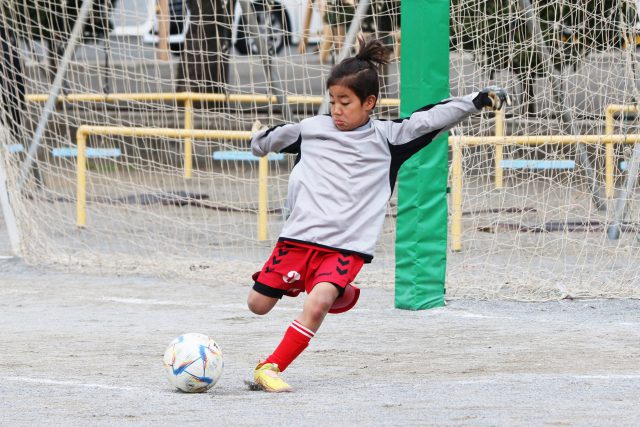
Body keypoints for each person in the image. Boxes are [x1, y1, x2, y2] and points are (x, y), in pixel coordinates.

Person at [247, 37, 510, 392]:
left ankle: (271, 366)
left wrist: (476, 101)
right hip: (297, 239)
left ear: (369, 103)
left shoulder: (388, 138)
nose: (337, 110)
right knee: (257, 304)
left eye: (345, 102)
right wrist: (258, 142)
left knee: (318, 302)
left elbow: (430, 117)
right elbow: (270, 139)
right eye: (332, 102)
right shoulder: (312, 130)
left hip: (345, 247)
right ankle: (337, 290)